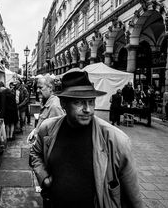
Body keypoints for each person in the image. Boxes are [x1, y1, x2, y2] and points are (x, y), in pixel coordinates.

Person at [30, 71, 143, 208]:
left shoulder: (116, 140)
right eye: (79, 102)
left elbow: (133, 197)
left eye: (91, 102)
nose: (88, 109)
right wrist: (44, 179)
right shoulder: (48, 129)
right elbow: (35, 153)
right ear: (63, 103)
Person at [27, 75, 64, 143]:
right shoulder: (47, 102)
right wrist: (35, 131)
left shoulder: (54, 106)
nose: (37, 91)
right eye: (37, 88)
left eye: (40, 88)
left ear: (50, 88)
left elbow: (56, 136)